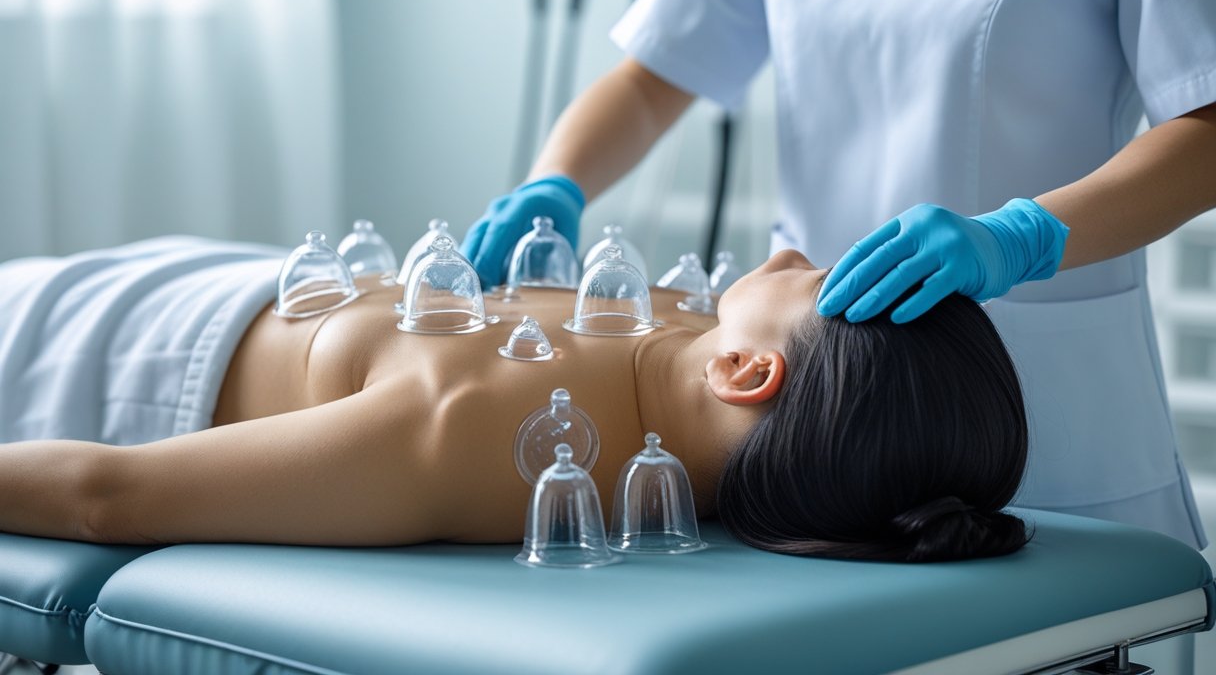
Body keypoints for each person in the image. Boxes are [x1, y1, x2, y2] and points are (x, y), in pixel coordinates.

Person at [462, 0, 1216, 550]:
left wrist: (1023, 235)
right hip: (816, 434)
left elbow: (1206, 124)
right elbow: (654, 74)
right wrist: (555, 182)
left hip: (1056, 409)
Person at [0, 238, 1027, 562]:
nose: (792, 250)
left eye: (810, 277)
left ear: (748, 374)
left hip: (99, 349)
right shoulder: (675, 326)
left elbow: (105, 496)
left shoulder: (486, 437)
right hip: (221, 273)